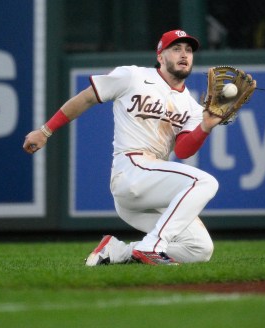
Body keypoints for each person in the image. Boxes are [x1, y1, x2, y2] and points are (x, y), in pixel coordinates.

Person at [23, 30, 226, 266]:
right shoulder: (133, 76)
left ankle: (114, 251)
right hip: (130, 170)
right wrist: (46, 130)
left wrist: (206, 126)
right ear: (160, 56)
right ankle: (152, 247)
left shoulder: (191, 106)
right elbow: (87, 98)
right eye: (176, 49)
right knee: (206, 182)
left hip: (151, 186)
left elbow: (182, 151)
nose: (184, 54)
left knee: (200, 249)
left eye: (188, 50)